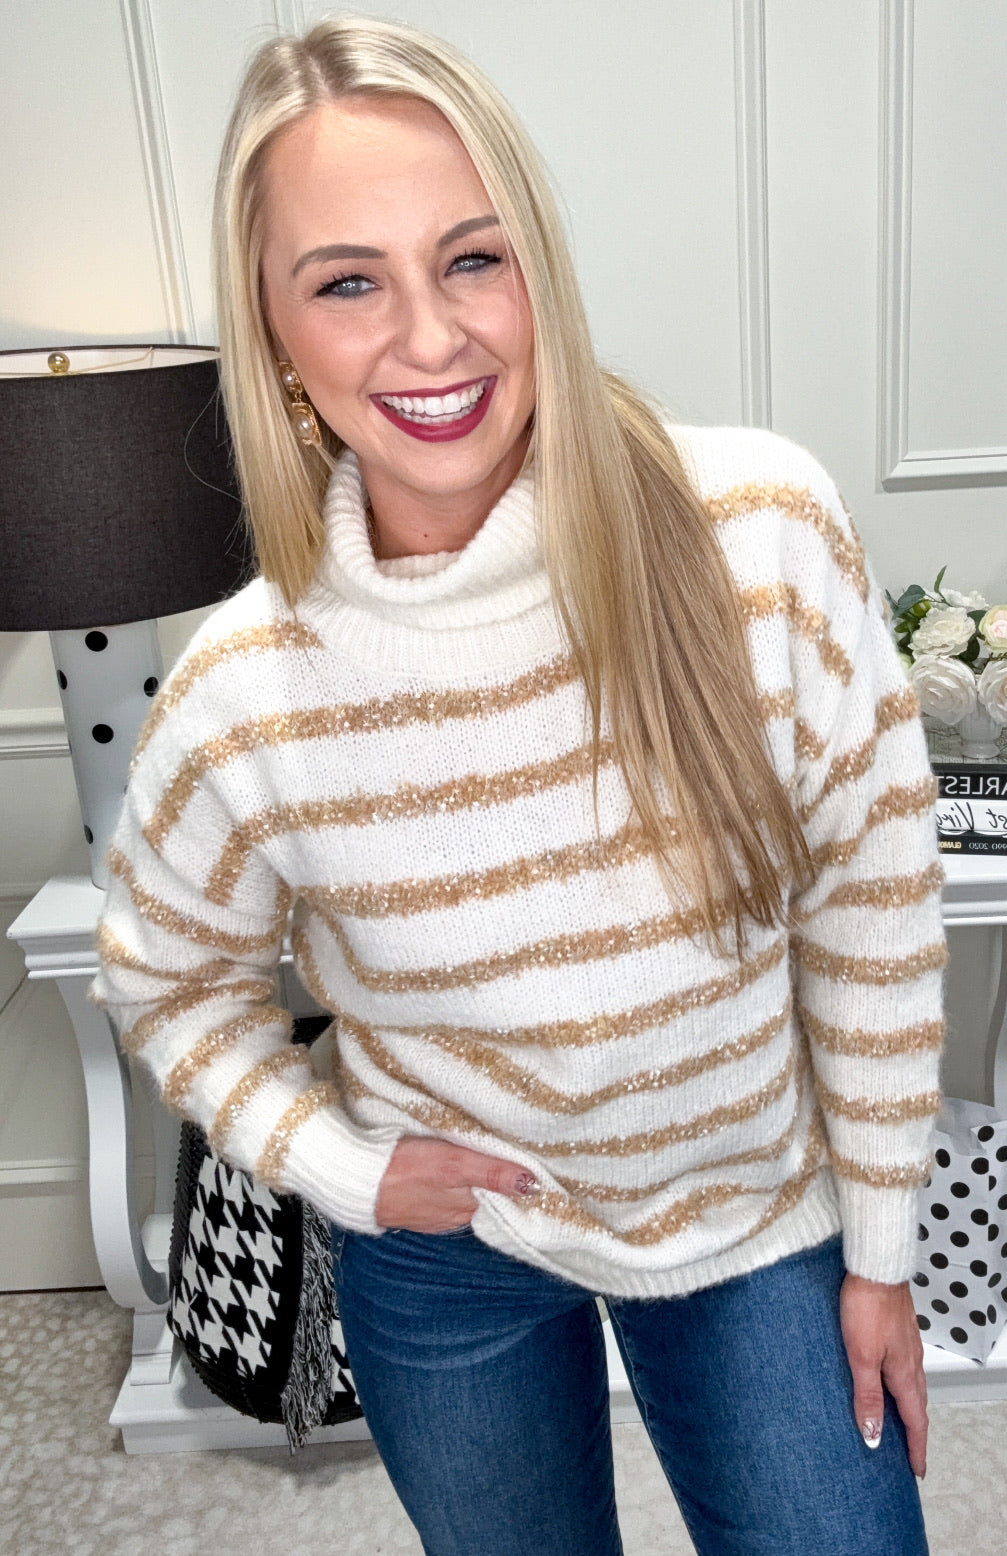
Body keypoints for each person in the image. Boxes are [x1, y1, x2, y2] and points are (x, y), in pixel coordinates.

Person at [91, 16, 948, 1554]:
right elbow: (168, 985)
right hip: (452, 1264)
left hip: (752, 1218)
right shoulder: (242, 690)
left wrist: (881, 1249)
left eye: (472, 259)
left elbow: (870, 903)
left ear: (537, 266)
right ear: (273, 331)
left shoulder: (760, 533)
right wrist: (343, 1166)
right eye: (347, 282)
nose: (432, 339)